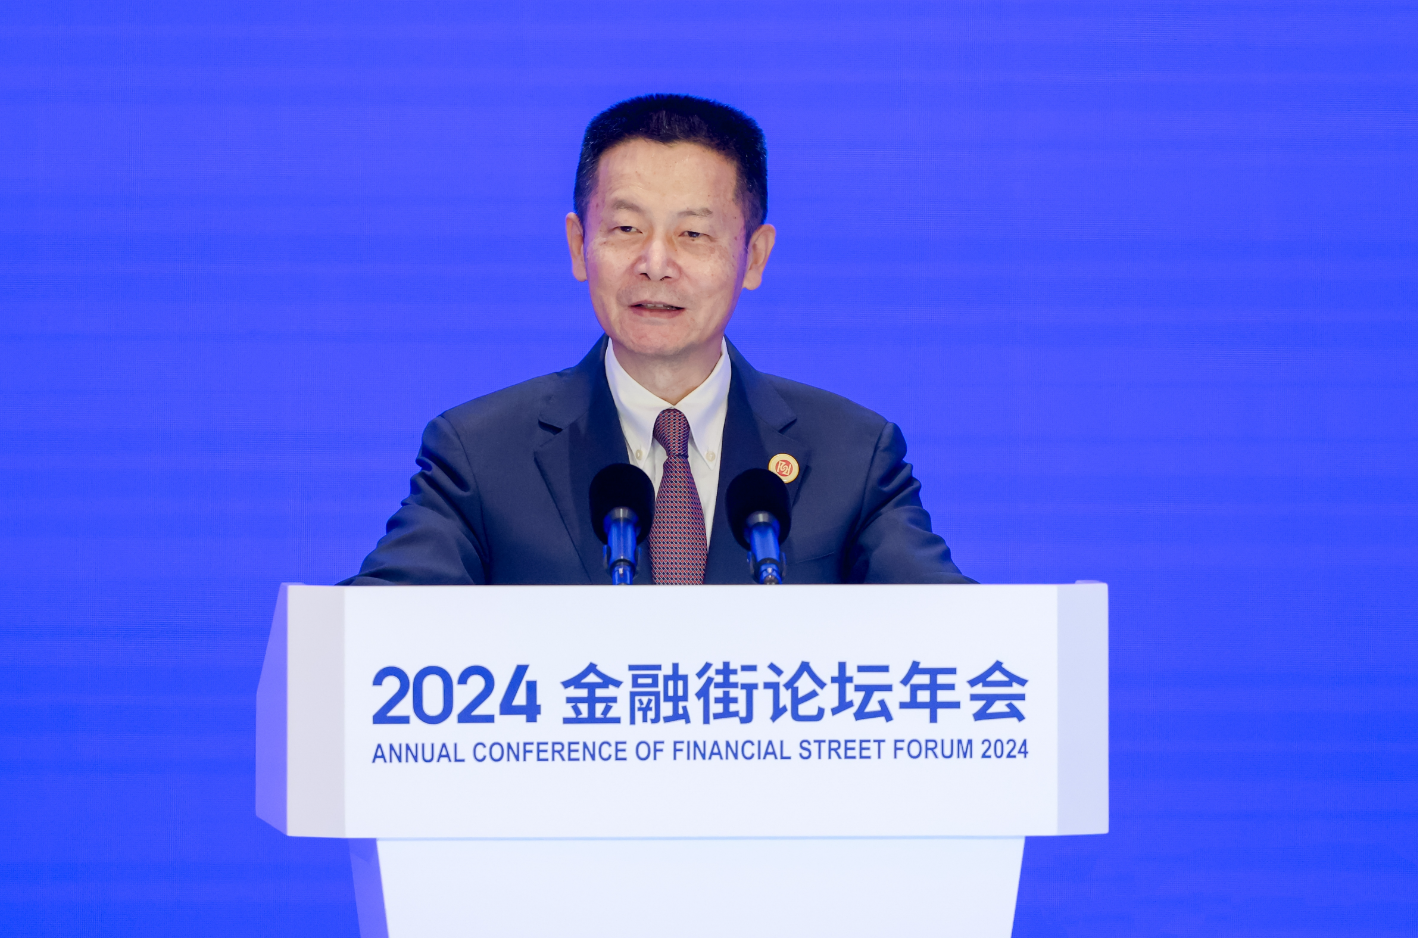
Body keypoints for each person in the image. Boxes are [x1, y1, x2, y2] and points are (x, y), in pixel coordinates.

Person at [342, 94, 970, 586]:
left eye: (693, 234)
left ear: (754, 257)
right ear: (578, 246)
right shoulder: (480, 456)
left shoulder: (853, 458)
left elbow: (962, 638)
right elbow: (369, 635)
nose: (655, 264)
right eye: (625, 228)